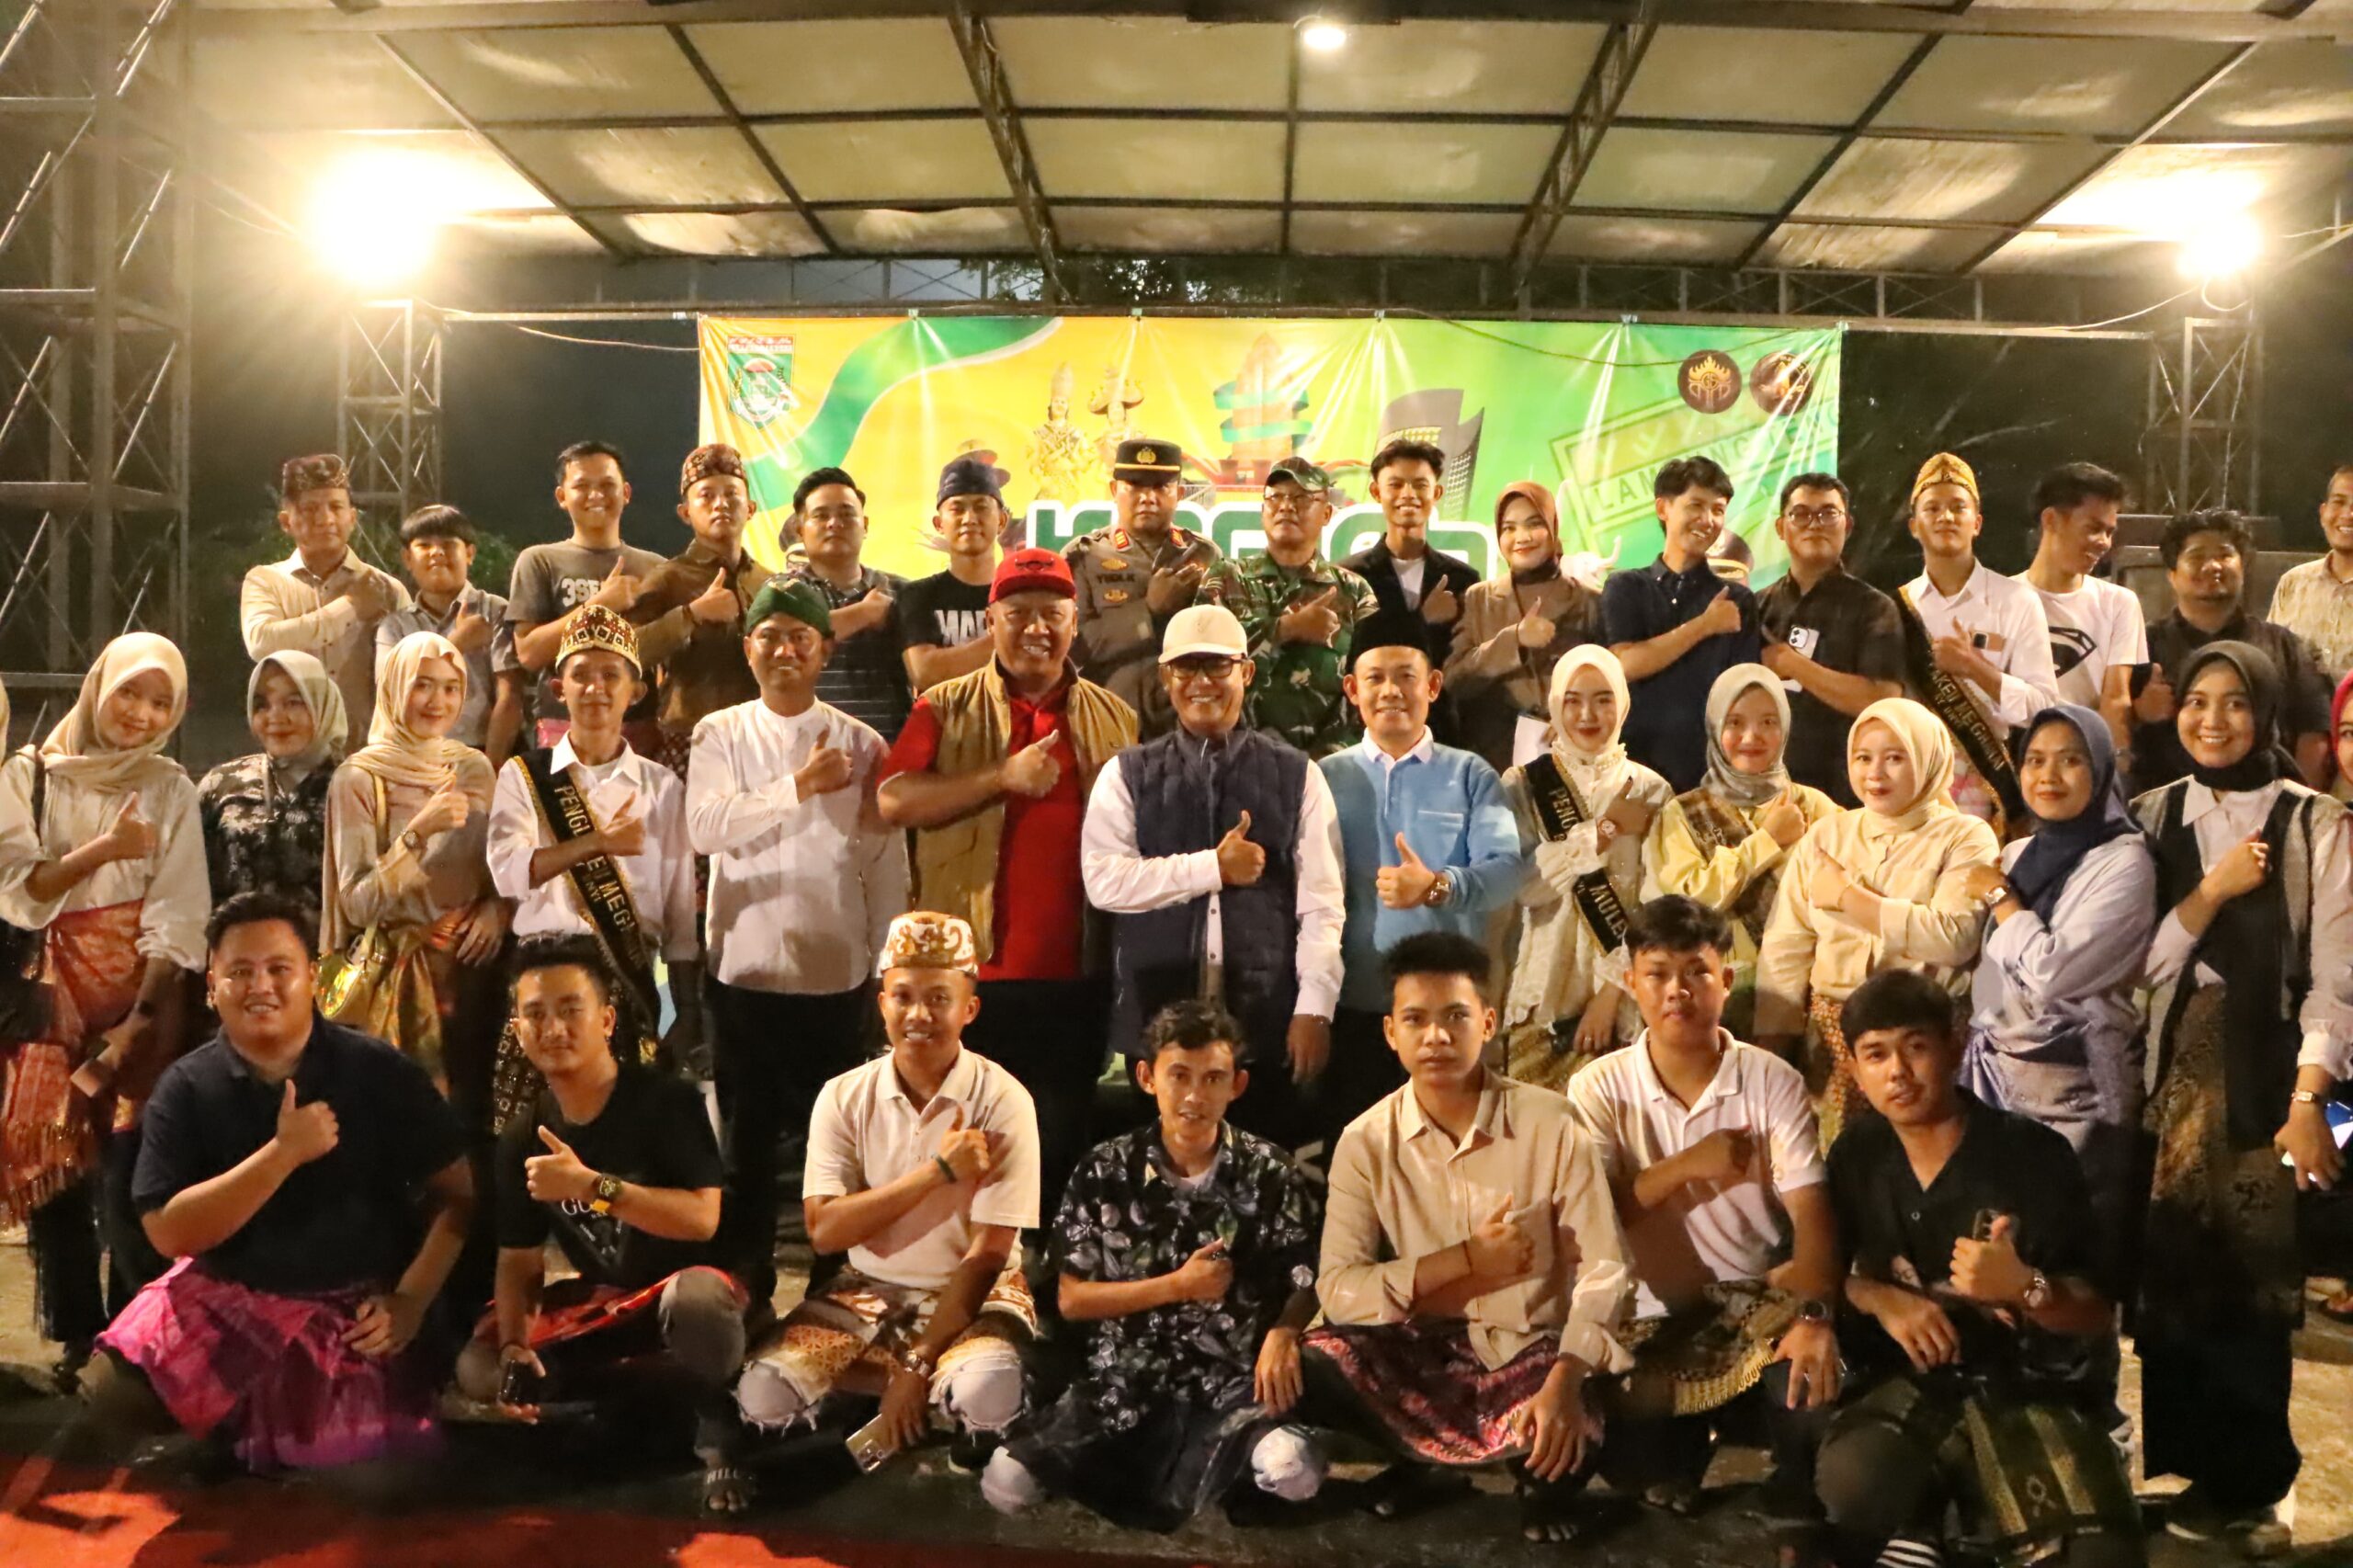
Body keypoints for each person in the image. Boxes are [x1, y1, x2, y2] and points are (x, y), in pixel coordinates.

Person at [82, 892, 473, 1472]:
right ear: (212, 987)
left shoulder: (378, 1069)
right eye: (240, 972)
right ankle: (232, 1424)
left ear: (313, 976)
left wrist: (411, 1301)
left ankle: (249, 1431)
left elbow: (457, 1195)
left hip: (351, 1305)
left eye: (278, 968)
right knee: (109, 1391)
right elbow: (168, 1232)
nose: (259, 986)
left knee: (355, 1473)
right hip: (226, 1295)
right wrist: (282, 1155)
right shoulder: (185, 1087)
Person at [2130, 640, 2351, 1555]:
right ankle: (2197, 1472)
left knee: (2257, 1286)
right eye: (2195, 701)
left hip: (2271, 1078)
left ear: (2264, 713)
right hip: (2171, 1083)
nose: (2212, 720)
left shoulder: (2315, 822)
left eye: (2233, 702)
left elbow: (2336, 978)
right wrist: (2211, 894)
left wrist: (2310, 1098)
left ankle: (2262, 1487)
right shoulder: (2151, 816)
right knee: (2177, 1277)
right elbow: (2135, 966)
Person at [1304, 930, 1631, 1547]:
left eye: (1455, 1017)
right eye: (1415, 1020)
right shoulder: (1364, 1141)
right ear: (1390, 1033)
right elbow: (1340, 1288)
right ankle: (1427, 1467)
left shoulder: (1552, 1123)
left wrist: (1566, 1379)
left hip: (1527, 1351)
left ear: (1488, 1023)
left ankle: (1528, 1479)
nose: (1436, 1036)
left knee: (1565, 1427)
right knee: (1316, 1363)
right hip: (1421, 1346)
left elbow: (1606, 1268)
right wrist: (1465, 1261)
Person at [1816, 970, 2141, 1568]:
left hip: (2028, 1388)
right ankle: (1929, 1516)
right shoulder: (1858, 1153)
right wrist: (1881, 1298)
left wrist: (2027, 1288)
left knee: (2101, 1558)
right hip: (1912, 1383)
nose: (1897, 1072)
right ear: (1856, 1069)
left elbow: (2097, 1312)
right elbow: (1818, 1270)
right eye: (1876, 1055)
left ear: (1955, 1045)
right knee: (1853, 1485)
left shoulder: (2032, 1155)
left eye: (1916, 1047)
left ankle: (1962, 1518)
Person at [982, 1000, 1324, 1530]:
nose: (1194, 1096)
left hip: (1228, 1384)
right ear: (1146, 1078)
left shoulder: (1270, 1170)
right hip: (1124, 1380)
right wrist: (1178, 1286)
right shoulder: (1104, 1168)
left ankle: (1231, 1473)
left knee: (1293, 1471)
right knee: (1004, 1484)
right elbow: (1072, 1299)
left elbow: (1307, 1277)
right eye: (1179, 1076)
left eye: (1213, 1078)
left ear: (1236, 1085)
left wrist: (1284, 1332)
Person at [1564, 896, 1838, 1531]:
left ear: (1727, 979)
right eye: (1657, 974)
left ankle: (1790, 1480)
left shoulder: (1771, 1080)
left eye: (1696, 972)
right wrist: (1688, 1164)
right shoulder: (1597, 1087)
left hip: (1755, 1298)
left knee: (1808, 1380)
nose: (1677, 991)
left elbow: (1812, 1211)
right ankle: (1680, 1451)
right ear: (1631, 983)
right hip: (1649, 1313)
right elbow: (1597, 1217)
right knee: (1627, 1453)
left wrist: (1814, 1315)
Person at [733, 913, 1040, 1476]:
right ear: (881, 1004)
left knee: (990, 1393)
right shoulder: (842, 1095)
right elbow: (825, 1232)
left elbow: (989, 1254)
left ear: (969, 1009)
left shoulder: (1004, 1099)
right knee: (762, 1394)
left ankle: (924, 1396)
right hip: (869, 1288)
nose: (918, 1014)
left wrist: (917, 1362)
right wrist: (936, 1172)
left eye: (938, 998)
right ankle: (911, 1402)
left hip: (972, 1290)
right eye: (903, 996)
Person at [879, 548, 1135, 1210]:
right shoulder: (944, 705)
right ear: (990, 621)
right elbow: (894, 799)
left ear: (1075, 623)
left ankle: (1043, 1269)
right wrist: (1002, 777)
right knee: (965, 1147)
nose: (1036, 629)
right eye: (1018, 614)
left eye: (1052, 614)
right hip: (972, 976)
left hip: (1078, 973)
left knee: (1059, 1144)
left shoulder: (1117, 716)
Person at [456, 937, 748, 1515]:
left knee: (695, 1302)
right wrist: (516, 1345)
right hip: (613, 1301)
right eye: (535, 1014)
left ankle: (718, 1427)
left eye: (571, 1010)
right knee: (478, 1365)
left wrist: (595, 1187)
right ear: (518, 1031)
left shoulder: (666, 1100)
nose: (553, 1028)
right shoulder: (522, 1135)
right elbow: (519, 1259)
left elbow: (701, 1220)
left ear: (607, 1020)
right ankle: (631, 1402)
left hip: (695, 1289)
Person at [687, 576, 908, 1306]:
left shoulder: (864, 744)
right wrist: (800, 785)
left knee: (834, 1147)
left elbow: (884, 868)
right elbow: (705, 830)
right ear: (747, 648)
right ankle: (744, 1284)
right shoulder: (719, 733)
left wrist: (885, 972)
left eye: (800, 639)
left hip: (835, 980)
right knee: (745, 1147)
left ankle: (831, 1284)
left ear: (825, 652)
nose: (785, 651)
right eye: (770, 637)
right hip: (742, 975)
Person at [0, 634, 207, 1386]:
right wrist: (107, 849)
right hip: (51, 999)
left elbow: (180, 910)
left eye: (159, 702)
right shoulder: (31, 775)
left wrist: (139, 1023)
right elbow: (19, 892)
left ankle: (132, 1338)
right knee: (57, 1168)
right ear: (98, 688)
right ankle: (73, 1334)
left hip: (140, 998)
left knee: (131, 1169)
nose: (140, 714)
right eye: (129, 693)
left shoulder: (170, 788)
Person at [1080, 603, 1343, 1150]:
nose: (1201, 681)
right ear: (1165, 677)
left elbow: (1321, 906)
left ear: (1246, 672)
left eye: (1217, 666)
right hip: (1155, 1030)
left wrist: (1314, 1008)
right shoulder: (1126, 773)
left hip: (1265, 1026)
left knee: (1264, 1174)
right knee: (1159, 1176)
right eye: (1186, 667)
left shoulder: (1298, 774)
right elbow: (1104, 882)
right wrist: (1212, 868)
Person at [1752, 698, 1998, 1141]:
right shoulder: (1829, 834)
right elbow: (1787, 946)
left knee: (1928, 1156)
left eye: (1895, 758)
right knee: (1841, 1161)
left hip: (1924, 1037)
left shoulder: (1964, 835)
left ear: (1928, 759)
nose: (1875, 774)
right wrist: (1774, 1047)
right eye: (1863, 758)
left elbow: (1954, 937)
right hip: (1833, 1036)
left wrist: (1848, 897)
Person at [1959, 704, 2156, 1247]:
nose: (2048, 776)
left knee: (2069, 1248)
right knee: (1996, 1245)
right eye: (2035, 760)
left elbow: (2052, 973)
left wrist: (2001, 898)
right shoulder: (2019, 852)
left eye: (2070, 760)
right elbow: (1994, 968)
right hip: (1997, 1082)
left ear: (2100, 770)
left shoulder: (2125, 862)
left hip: (2078, 1093)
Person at [1318, 637, 1521, 1149]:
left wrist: (1437, 886)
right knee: (1362, 1158)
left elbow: (1506, 872)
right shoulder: (1324, 778)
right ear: (1352, 690)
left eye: (1406, 676)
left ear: (1432, 686)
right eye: (1375, 678)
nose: (1391, 690)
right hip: (1355, 1006)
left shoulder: (1471, 773)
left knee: (1455, 1157)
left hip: (1446, 1012)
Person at [485, 608, 700, 1085]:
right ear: (558, 689)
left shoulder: (662, 788)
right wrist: (598, 843)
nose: (595, 688)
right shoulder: (524, 776)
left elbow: (680, 914)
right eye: (581, 675)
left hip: (627, 983)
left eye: (610, 675)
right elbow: (508, 873)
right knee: (537, 1122)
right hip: (541, 981)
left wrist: (687, 1010)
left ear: (635, 692)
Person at [320, 630, 506, 1108]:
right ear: (394, 686)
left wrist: (497, 909)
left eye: (451, 687)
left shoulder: (474, 769)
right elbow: (357, 905)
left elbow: (500, 867)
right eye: (422, 684)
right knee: (400, 1113)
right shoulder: (359, 778)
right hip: (393, 980)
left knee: (472, 1110)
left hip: (472, 969)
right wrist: (418, 834)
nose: (437, 701)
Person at [1499, 645, 1672, 1088]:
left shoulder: (1651, 789)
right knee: (1535, 1123)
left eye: (1603, 699)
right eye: (1573, 700)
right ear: (1555, 705)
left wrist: (1612, 993)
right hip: (1545, 994)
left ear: (1623, 704)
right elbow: (1525, 887)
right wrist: (1604, 830)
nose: (1587, 715)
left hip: (1626, 1000)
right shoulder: (1523, 784)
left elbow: (1658, 905)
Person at [1643, 665, 1838, 1038]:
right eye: (1735, 723)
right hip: (1719, 1004)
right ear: (1715, 727)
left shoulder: (1815, 807)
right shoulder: (1683, 813)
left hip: (1810, 995)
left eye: (1768, 722)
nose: (1752, 736)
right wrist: (1766, 841)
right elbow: (1688, 905)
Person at [1897, 450, 2059, 828]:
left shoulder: (2016, 601)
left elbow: (2044, 706)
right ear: (1914, 526)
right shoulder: (1896, 607)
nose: (1946, 517)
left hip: (1991, 782)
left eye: (1958, 507)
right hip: (1913, 778)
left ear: (1977, 523)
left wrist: (1974, 668)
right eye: (1932, 508)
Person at [2129, 509, 2333, 799]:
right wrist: (2136, 712)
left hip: (2267, 804)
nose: (2213, 565)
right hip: (2169, 809)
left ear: (2243, 567)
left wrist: (2296, 806)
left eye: (2224, 555)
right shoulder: (2141, 644)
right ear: (2172, 575)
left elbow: (2314, 731)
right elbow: (2109, 727)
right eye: (2197, 556)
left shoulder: (2284, 645)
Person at [1602, 457, 1764, 793]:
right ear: (1663, 508)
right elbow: (1625, 664)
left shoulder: (1737, 600)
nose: (1708, 520)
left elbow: (1744, 694)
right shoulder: (1626, 586)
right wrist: (1705, 625)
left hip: (1711, 780)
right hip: (1631, 776)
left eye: (1718, 510)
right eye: (1696, 506)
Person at [1199, 456, 1380, 758]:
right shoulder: (1226, 578)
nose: (1286, 506)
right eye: (1276, 497)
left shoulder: (1354, 591)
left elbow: (1371, 683)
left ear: (1326, 513)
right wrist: (1284, 629)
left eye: (1301, 498)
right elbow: (1202, 665)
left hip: (1327, 763)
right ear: (1263, 510)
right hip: (1235, 758)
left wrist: (1329, 757)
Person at [506, 440, 667, 752]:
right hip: (561, 724)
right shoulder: (539, 560)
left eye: (607, 485)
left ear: (626, 493)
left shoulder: (656, 567)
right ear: (562, 496)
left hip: (640, 725)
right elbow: (528, 653)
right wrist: (599, 605)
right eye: (582, 486)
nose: (595, 495)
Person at [623, 442, 774, 777]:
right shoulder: (667, 577)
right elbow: (624, 652)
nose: (721, 504)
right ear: (685, 512)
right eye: (706, 496)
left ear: (750, 508)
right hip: (691, 737)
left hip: (760, 738)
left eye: (732, 494)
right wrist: (691, 615)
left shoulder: (768, 581)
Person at [1755, 473, 1904, 808]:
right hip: (1766, 790)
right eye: (1801, 514)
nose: (1814, 524)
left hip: (1847, 794)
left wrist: (1793, 664)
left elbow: (1882, 698)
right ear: (1781, 528)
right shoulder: (1758, 606)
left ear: (1847, 525)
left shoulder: (1874, 607)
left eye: (1828, 514)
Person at [241, 453, 411, 738]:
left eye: (336, 507)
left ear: (352, 518)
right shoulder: (266, 581)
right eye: (310, 509)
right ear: (286, 521)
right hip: (293, 748)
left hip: (370, 750)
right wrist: (350, 606)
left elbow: (410, 672)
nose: (325, 519)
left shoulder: (387, 589)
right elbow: (262, 643)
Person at [1064, 437, 1221, 737]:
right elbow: (1072, 647)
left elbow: (1221, 641)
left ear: (1180, 493)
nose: (1147, 497)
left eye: (1160, 487)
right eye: (1134, 486)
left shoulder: (1204, 553)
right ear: (1114, 490)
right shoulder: (1083, 555)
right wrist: (1147, 612)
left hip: (1187, 725)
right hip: (1110, 724)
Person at [1446, 480, 1600, 773]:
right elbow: (1455, 682)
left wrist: (1575, 715)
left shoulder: (1590, 601)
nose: (1522, 537)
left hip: (1576, 761)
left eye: (1534, 524)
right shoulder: (1478, 599)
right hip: (1494, 764)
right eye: (1509, 528)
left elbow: (1615, 684)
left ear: (1553, 526)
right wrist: (1513, 640)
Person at [199, 651, 348, 914]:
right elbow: (190, 886)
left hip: (326, 941)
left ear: (323, 705)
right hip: (233, 938)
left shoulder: (354, 786)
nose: (275, 717)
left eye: (293, 703)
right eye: (262, 705)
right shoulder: (222, 784)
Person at [374, 504, 524, 765]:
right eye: (424, 545)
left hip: (485, 753)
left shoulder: (495, 611)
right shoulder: (394, 626)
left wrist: (490, 767)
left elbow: (510, 696)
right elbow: (392, 694)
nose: (437, 552)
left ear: (469, 553)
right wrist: (456, 643)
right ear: (407, 558)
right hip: (416, 758)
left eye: (448, 544)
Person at [1341, 439, 1481, 704]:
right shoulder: (1350, 576)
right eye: (1395, 485)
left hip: (1443, 722)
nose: (1408, 494)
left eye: (1420, 485)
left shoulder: (1462, 579)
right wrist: (1422, 619)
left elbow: (1468, 665)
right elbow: (1351, 656)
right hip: (1373, 717)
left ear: (1436, 493)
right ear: (1376, 492)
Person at [2016, 464, 2143, 746]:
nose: (2104, 543)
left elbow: (2116, 700)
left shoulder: (2119, 603)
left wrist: (2115, 764)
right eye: (2093, 529)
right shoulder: (1998, 600)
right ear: (2051, 520)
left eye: (2109, 532)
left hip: (2083, 755)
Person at [784, 465, 912, 743]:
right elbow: (788, 642)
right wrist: (864, 613)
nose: (834, 523)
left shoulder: (904, 591)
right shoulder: (782, 590)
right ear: (799, 529)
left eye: (846, 514)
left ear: (865, 525)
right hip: (808, 752)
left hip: (890, 752)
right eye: (821, 515)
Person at [900, 455, 1011, 695]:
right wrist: (1012, 636)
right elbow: (925, 672)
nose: (969, 518)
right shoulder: (917, 595)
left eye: (981, 507)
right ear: (939, 524)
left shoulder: (1019, 595)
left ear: (1002, 520)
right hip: (943, 720)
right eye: (957, 509)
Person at [2265, 460, 2353, 682]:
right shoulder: (2293, 583)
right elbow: (2270, 661)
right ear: (2323, 513)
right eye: (2339, 502)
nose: (2348, 514)